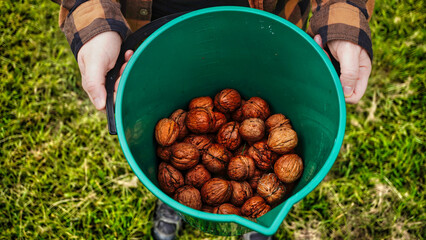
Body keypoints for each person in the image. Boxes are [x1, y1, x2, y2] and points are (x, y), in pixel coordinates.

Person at [54, 0, 374, 239]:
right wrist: (94, 21)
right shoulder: (193, 142)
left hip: (265, 25)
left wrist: (344, 18)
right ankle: (175, 200)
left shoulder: (250, 141)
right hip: (151, 23)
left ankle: (251, 221)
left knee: (198, 169)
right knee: (178, 172)